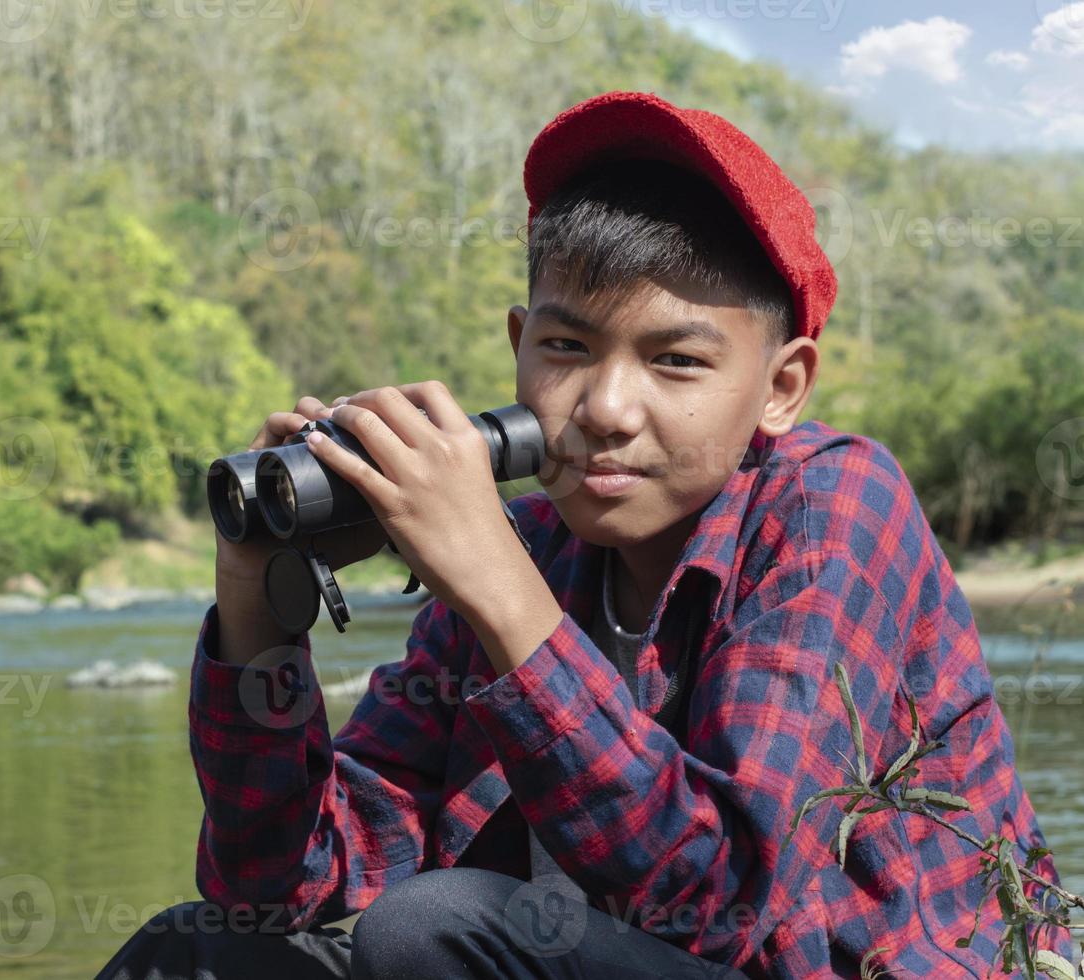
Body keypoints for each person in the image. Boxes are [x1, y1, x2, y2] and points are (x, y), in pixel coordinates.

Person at [97, 90, 1074, 979]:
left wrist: (497, 589)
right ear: (518, 343)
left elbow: (731, 906)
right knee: (195, 952)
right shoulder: (526, 545)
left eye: (677, 361)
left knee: (431, 926)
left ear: (781, 387)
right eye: (566, 347)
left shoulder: (831, 507)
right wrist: (257, 608)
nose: (606, 408)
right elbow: (284, 884)